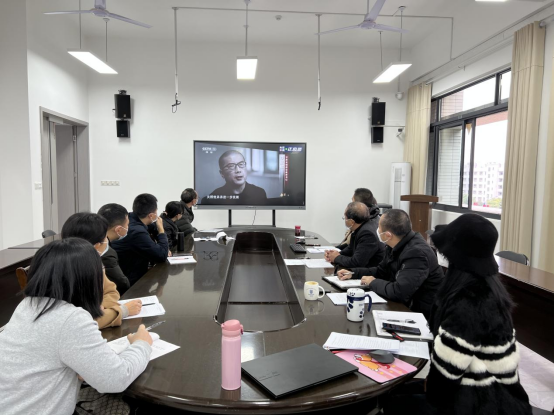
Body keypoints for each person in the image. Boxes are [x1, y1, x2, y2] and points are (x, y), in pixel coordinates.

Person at [383, 214, 532, 415]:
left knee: (391, 401)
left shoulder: (469, 300)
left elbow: (446, 376)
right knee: (395, 390)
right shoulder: (487, 287)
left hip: (483, 400)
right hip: (494, 390)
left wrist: (429, 387)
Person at [0, 239, 153, 415]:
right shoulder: (70, 318)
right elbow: (116, 379)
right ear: (87, 279)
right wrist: (142, 343)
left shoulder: (28, 305)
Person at [337, 209, 443, 319]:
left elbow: (399, 292)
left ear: (388, 235)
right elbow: (381, 271)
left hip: (422, 314)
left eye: (378, 227)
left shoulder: (416, 253)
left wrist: (373, 282)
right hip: (405, 305)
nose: (376, 229)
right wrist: (353, 273)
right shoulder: (395, 244)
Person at [61, 213, 142, 328]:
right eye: (105, 237)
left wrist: (100, 307)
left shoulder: (95, 263)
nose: (107, 240)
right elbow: (83, 322)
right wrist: (123, 310)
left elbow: (111, 292)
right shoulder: (63, 271)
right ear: (96, 246)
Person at [111, 193, 170, 286]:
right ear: (151, 215)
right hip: (130, 282)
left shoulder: (131, 218)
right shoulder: (136, 232)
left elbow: (152, 227)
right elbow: (161, 255)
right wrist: (161, 231)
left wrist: (163, 246)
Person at [325, 202, 385, 269]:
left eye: (345, 217)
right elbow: (351, 248)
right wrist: (335, 254)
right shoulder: (362, 226)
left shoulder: (367, 234)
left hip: (370, 271)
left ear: (351, 222)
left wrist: (336, 258)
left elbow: (356, 262)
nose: (344, 220)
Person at [201, 150, 268, 205]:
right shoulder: (210, 200)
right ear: (222, 173)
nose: (238, 170)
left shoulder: (259, 193)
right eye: (231, 166)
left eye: (241, 164)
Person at [97, 203, 131, 294]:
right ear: (118, 229)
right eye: (127, 225)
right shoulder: (106, 252)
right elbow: (122, 284)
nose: (128, 228)